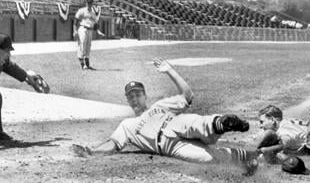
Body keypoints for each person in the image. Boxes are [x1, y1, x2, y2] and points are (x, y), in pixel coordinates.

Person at [72, 58, 259, 174]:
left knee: (194, 123)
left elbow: (188, 96)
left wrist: (170, 71)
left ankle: (223, 123)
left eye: (138, 94)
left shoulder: (159, 106)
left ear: (145, 96)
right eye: (131, 96)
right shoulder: (127, 125)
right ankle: (249, 158)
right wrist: (92, 151)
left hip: (173, 124)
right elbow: (113, 144)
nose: (135, 98)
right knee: (209, 158)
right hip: (169, 147)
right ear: (127, 100)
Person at [74, 0, 99, 70]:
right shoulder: (81, 11)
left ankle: (87, 65)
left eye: (91, 3)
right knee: (82, 44)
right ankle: (82, 64)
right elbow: (75, 21)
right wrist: (75, 31)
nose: (89, 4)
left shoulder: (93, 13)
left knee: (88, 46)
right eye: (88, 3)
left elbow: (96, 24)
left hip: (90, 30)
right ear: (86, 3)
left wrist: (98, 31)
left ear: (92, 4)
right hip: (83, 29)